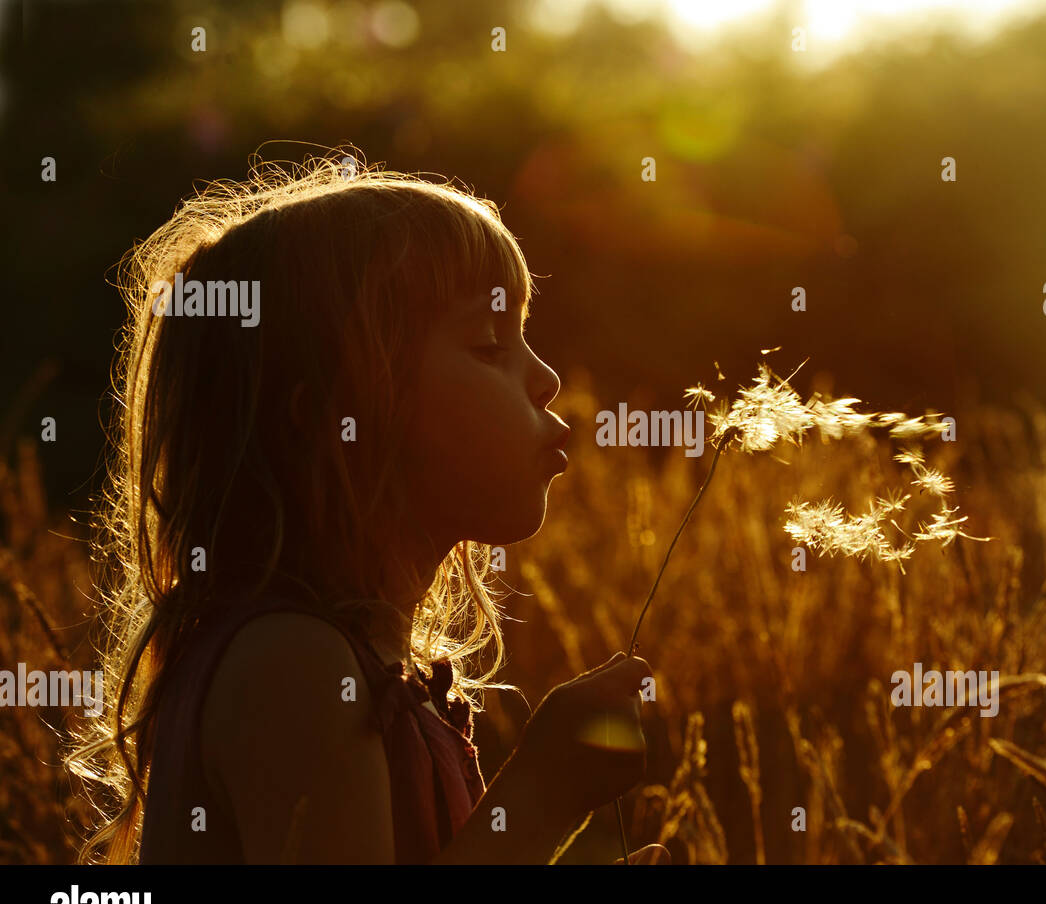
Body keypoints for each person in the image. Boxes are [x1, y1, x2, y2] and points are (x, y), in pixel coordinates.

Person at [65, 151, 667, 865]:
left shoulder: (364, 667)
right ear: (333, 420)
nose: (546, 378)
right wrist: (538, 795)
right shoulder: (291, 666)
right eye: (487, 344)